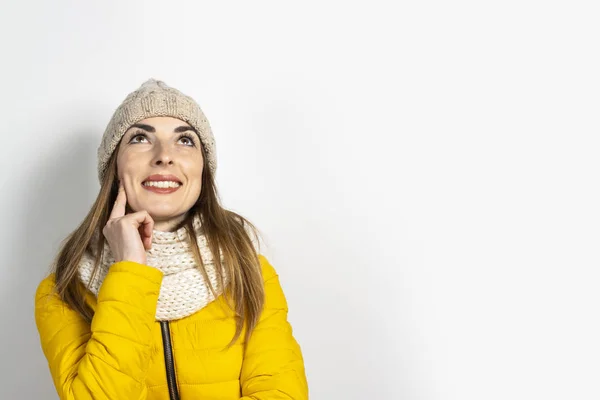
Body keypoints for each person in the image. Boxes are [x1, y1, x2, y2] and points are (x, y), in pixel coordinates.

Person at [34, 78, 309, 400]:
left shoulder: (249, 271)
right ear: (114, 167)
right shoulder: (62, 291)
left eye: (186, 141)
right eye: (139, 138)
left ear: (203, 169)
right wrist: (130, 271)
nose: (165, 156)